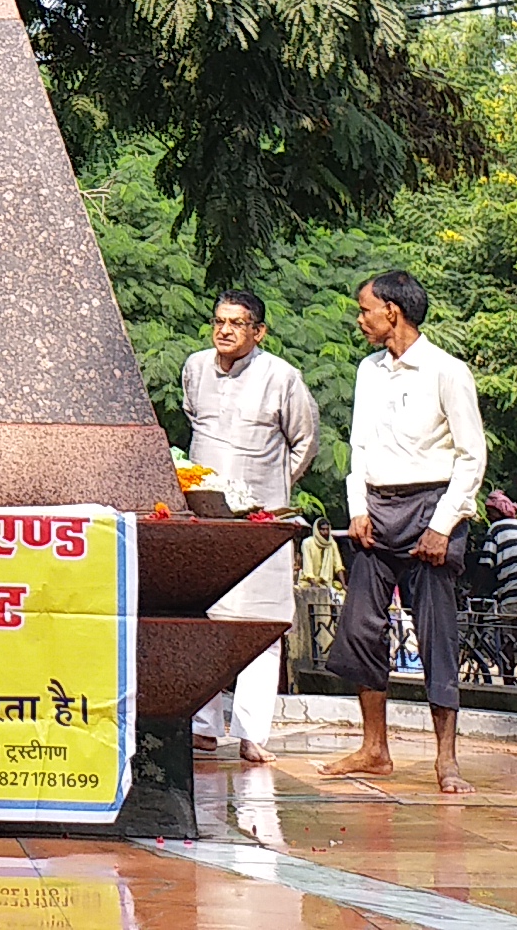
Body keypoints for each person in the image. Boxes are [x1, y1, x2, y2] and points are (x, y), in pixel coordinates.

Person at [320, 270, 486, 794]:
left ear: (392, 311)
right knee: (361, 628)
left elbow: (471, 456)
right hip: (377, 507)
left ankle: (446, 759)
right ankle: (375, 748)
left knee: (437, 630)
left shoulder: (446, 371)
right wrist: (357, 508)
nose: (360, 319)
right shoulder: (369, 371)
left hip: (432, 506)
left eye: (365, 309)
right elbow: (359, 446)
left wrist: (443, 524)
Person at [180, 289, 320, 763]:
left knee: (261, 623)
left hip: (261, 522)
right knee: (202, 620)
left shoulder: (282, 376)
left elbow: (304, 443)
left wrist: (269, 492)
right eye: (219, 321)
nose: (224, 330)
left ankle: (251, 732)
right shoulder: (195, 367)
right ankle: (201, 726)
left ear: (258, 331)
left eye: (237, 323)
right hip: (204, 519)